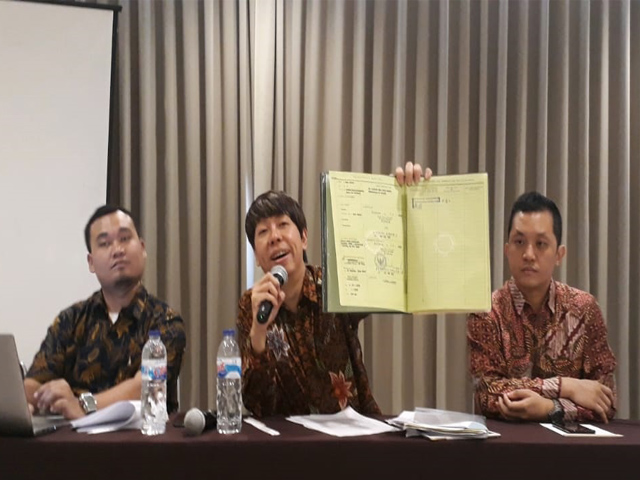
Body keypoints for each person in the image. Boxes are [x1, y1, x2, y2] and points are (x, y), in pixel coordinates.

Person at [237, 162, 432, 417]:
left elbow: (396, 274)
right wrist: (259, 331)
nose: (274, 236)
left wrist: (409, 196)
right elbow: (255, 403)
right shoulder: (251, 304)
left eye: (283, 224)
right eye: (263, 231)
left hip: (352, 431)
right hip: (287, 438)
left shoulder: (335, 283)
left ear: (304, 238)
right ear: (256, 256)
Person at [24, 205, 186, 420]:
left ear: (142, 248)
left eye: (125, 239)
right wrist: (33, 400)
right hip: (73, 438)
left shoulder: (166, 321)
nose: (117, 250)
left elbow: (146, 387)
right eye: (105, 243)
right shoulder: (70, 320)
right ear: (91, 262)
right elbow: (35, 381)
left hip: (143, 437)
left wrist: (82, 405)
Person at [468, 191, 617, 424]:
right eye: (519, 242)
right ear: (507, 250)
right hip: (505, 443)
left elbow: (606, 399)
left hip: (573, 445)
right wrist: (566, 386)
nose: (529, 254)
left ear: (559, 254)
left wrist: (550, 408)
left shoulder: (584, 309)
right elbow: (487, 394)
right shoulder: (486, 312)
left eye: (541, 244)